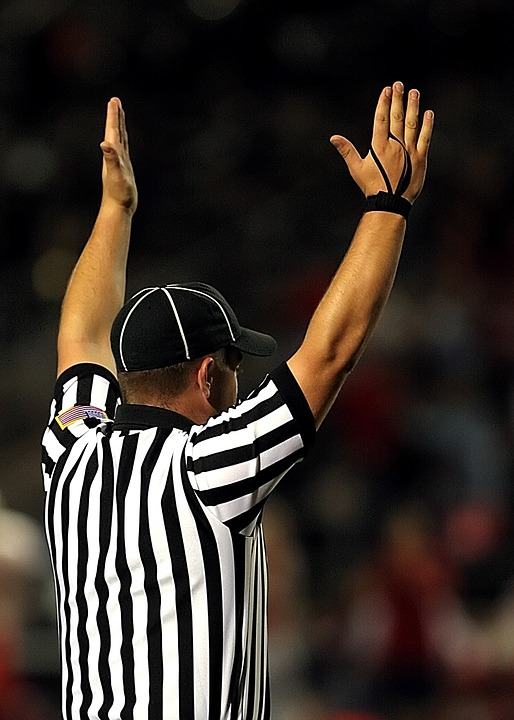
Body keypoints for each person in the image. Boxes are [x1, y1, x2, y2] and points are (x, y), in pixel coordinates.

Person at [41, 81, 434, 720]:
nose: (240, 384)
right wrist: (388, 206)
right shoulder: (208, 468)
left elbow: (81, 335)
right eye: (232, 367)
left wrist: (115, 211)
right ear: (205, 376)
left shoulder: (71, 446)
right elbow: (329, 353)